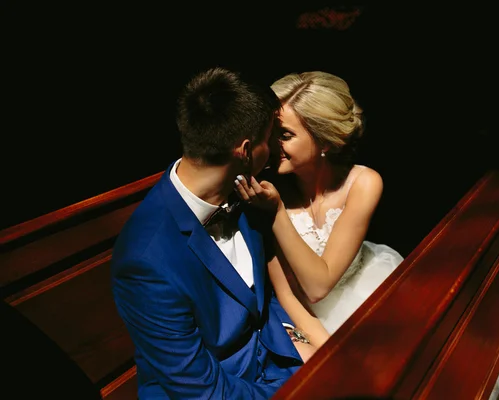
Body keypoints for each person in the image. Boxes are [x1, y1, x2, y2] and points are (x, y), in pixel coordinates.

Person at [111, 66, 319, 400]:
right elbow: (204, 392)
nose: (277, 152)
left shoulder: (244, 193)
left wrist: (296, 343)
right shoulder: (144, 262)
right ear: (246, 151)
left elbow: (260, 302)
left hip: (269, 359)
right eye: (270, 138)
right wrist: (300, 385)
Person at [233, 71, 405, 335]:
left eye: (286, 135)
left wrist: (277, 211)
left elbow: (318, 286)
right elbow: (289, 296)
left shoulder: (364, 183)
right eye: (271, 132)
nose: (272, 145)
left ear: (324, 140)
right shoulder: (264, 190)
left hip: (368, 295)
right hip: (303, 318)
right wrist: (330, 354)